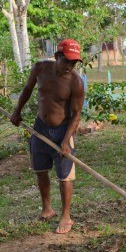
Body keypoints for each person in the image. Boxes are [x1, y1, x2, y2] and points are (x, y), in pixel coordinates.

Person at [10, 39, 85, 234]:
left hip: (63, 130)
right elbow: (27, 90)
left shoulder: (75, 82)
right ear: (56, 56)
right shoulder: (40, 68)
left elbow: (76, 115)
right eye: (67, 61)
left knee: (65, 176)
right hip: (40, 128)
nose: (70, 66)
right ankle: (47, 209)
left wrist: (66, 140)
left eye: (74, 63)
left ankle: (66, 216)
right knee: (41, 170)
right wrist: (17, 112)